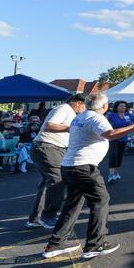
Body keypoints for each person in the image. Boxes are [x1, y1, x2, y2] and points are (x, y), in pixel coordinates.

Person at [42, 93, 134, 259]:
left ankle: (55, 244)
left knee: (72, 205)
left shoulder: (81, 117)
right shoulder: (95, 118)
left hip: (70, 165)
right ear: (105, 106)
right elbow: (110, 134)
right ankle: (95, 244)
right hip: (83, 167)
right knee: (100, 201)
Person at [27, 94, 86, 229]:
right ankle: (48, 216)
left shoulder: (70, 112)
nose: (85, 109)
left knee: (47, 183)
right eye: (84, 106)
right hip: (47, 146)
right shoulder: (64, 108)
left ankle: (36, 217)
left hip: (50, 147)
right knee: (58, 180)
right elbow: (48, 126)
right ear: (77, 102)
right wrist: (71, 128)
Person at [106, 101, 134, 182]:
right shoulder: (111, 115)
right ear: (116, 107)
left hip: (124, 138)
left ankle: (116, 173)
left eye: (124, 106)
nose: (123, 108)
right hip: (113, 138)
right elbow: (104, 122)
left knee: (120, 156)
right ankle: (111, 175)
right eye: (121, 106)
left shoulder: (128, 115)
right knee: (113, 155)